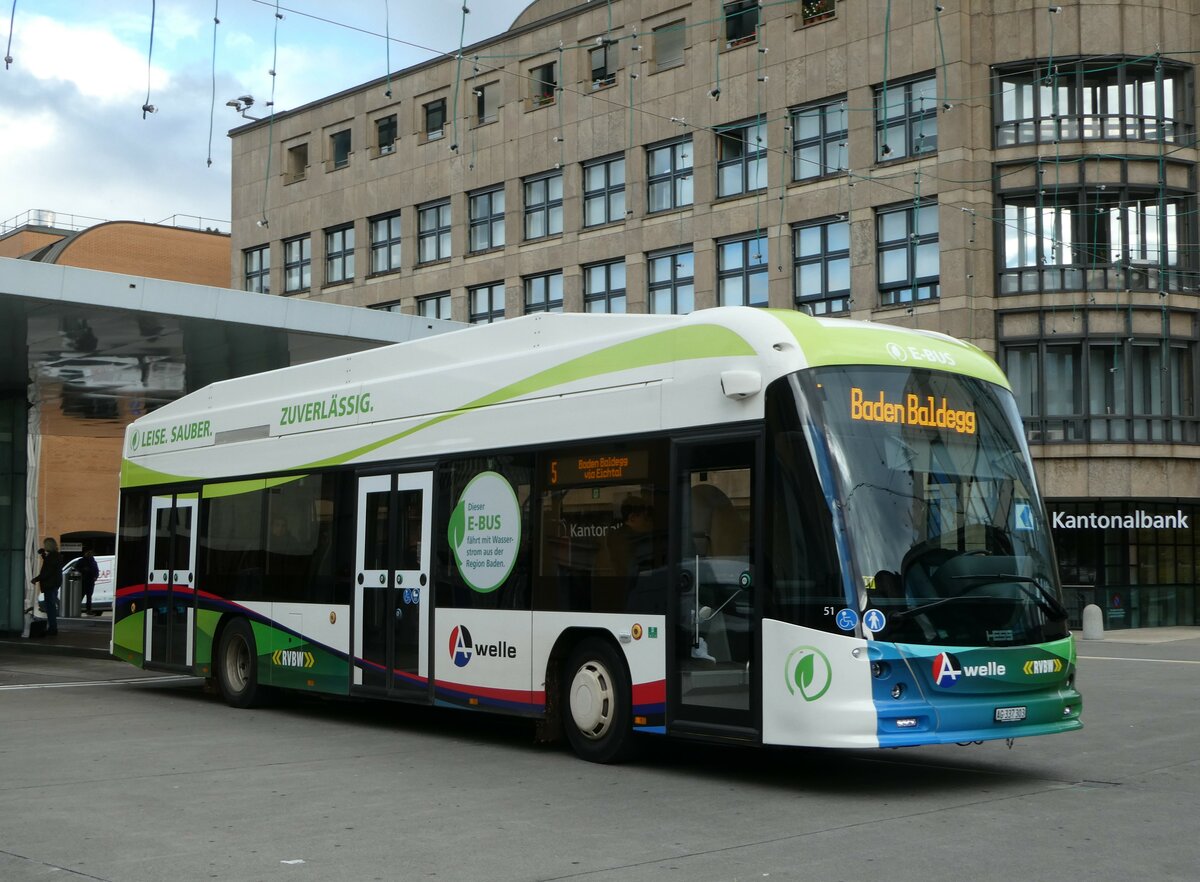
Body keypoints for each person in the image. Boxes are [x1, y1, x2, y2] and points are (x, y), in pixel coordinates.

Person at [31, 537, 62, 636]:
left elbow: (47, 571)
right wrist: (44, 555)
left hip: (50, 584)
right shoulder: (56, 556)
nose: (44, 546)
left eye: (45, 545)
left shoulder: (52, 557)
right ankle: (53, 627)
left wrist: (36, 579)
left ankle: (52, 628)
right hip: (54, 584)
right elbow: (50, 565)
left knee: (50, 608)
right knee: (51, 606)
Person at [79, 548, 101, 615]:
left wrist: (95, 577)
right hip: (83, 581)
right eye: (89, 552)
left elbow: (96, 571)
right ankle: (77, 609)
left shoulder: (93, 561)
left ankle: (88, 610)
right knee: (80, 596)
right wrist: (83, 570)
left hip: (90, 581)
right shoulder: (81, 561)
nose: (90, 554)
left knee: (89, 597)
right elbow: (76, 568)